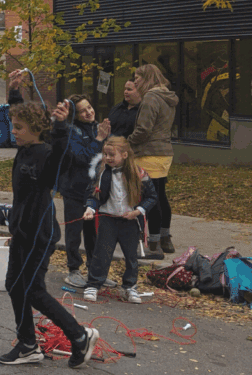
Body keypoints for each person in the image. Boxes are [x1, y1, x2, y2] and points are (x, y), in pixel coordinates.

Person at [0, 69, 98, 368]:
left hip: (39, 234)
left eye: (18, 128)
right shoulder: (26, 148)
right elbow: (23, 113)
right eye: (13, 126)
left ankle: (79, 336)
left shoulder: (45, 153)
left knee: (32, 289)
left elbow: (62, 156)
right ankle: (28, 344)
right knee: (14, 285)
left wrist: (61, 124)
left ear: (36, 131)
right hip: (22, 230)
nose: (13, 131)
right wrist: (15, 92)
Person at [82, 137, 158, 305]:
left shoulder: (139, 173)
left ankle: (130, 286)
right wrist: (90, 209)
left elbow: (152, 197)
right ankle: (94, 284)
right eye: (105, 154)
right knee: (102, 254)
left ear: (124, 154)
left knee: (131, 256)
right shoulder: (101, 172)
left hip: (129, 221)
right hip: (107, 219)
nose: (108, 158)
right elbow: (93, 195)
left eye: (111, 154)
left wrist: (138, 211)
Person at [52, 94, 110, 289]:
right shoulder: (71, 131)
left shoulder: (97, 127)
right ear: (75, 115)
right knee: (74, 232)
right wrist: (100, 139)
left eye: (90, 107)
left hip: (96, 191)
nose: (89, 112)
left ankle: (95, 271)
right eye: (83, 110)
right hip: (74, 189)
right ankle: (73, 269)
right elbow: (83, 158)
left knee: (95, 233)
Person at [128, 64, 179, 256]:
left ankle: (154, 243)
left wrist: (127, 143)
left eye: (137, 78)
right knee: (161, 195)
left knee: (151, 198)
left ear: (147, 78)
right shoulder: (167, 97)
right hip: (165, 152)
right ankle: (165, 238)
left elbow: (143, 130)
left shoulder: (150, 97)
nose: (135, 82)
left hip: (149, 152)